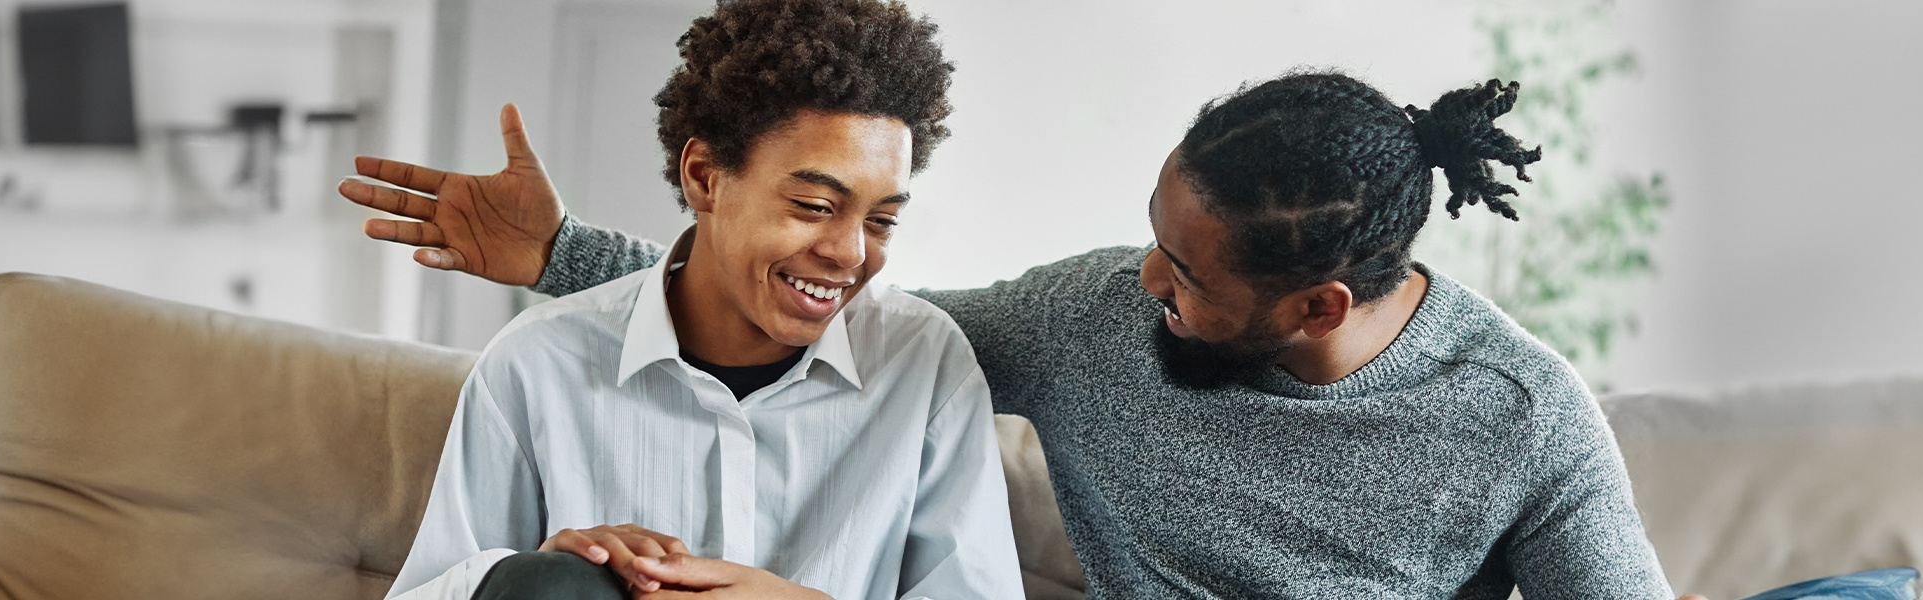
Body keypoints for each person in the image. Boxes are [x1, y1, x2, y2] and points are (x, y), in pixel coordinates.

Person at [348, 69, 1694, 598]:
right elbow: (846, 321)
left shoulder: (1521, 418)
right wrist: (562, 259)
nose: (1144, 281)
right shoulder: (1092, 317)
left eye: (1186, 276)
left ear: (1317, 306)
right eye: (1152, 233)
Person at [359, 1, 1021, 599]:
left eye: (881, 221)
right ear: (705, 176)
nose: (850, 254)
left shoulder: (924, 361)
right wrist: (524, 580)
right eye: (814, 206)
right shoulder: (539, 361)